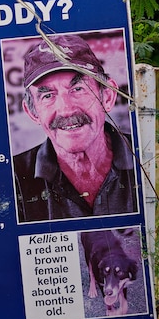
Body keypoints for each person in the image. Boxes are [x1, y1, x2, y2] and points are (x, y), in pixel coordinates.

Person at [12, 33, 137, 222]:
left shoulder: (143, 154)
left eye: (78, 89)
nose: (66, 110)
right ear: (33, 113)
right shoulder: (14, 178)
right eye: (48, 96)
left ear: (108, 96)